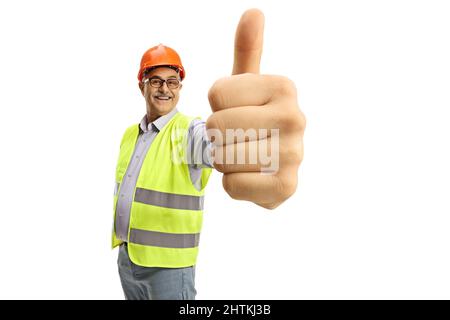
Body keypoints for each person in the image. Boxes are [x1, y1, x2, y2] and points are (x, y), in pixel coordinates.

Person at [112, 9, 306, 300]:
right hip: (127, 261)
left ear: (180, 87)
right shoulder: (130, 134)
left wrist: (262, 145)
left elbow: (220, 146)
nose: (165, 88)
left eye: (172, 81)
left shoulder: (189, 132)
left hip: (169, 269)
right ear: (141, 84)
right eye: (156, 81)